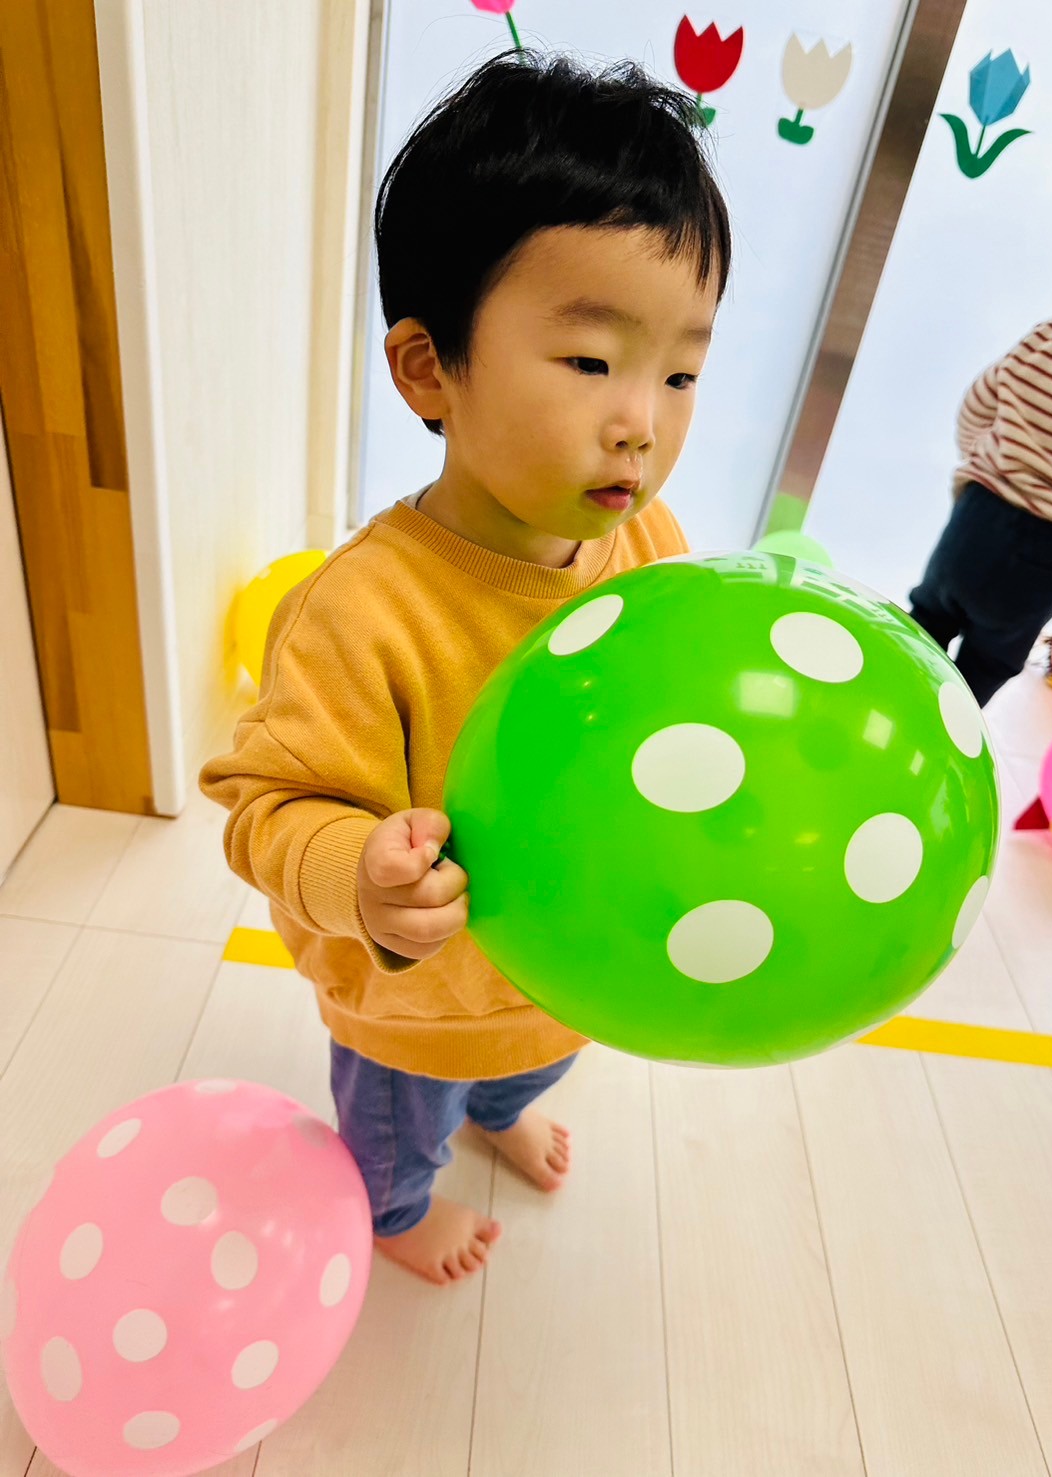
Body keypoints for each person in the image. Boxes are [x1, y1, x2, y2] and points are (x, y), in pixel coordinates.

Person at [200, 52, 730, 1285]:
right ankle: (394, 1211)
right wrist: (357, 875)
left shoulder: (645, 541)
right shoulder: (362, 612)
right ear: (430, 368)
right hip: (418, 1005)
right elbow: (263, 807)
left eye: (680, 372)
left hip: (571, 970)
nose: (641, 421)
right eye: (591, 362)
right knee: (399, 1131)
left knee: (535, 1064)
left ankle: (504, 1107)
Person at [908, 295, 1052, 706]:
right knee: (986, 663)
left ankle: (881, 703)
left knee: (925, 622)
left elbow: (976, 406)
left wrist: (983, 465)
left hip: (979, 514)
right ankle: (943, 732)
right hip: (1049, 551)